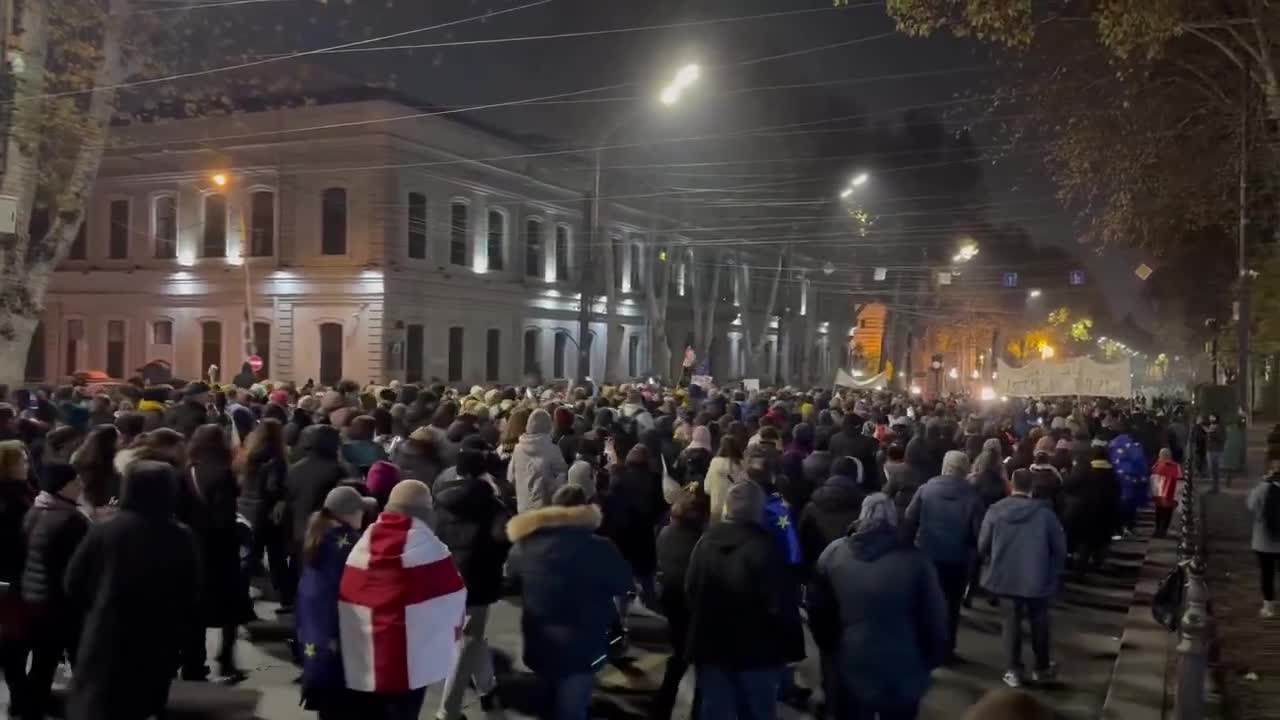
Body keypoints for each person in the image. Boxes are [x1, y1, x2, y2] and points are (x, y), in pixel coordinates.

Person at [63, 460, 201, 720]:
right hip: (157, 636)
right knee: (145, 703)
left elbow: (73, 582)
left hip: (106, 632)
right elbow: (191, 591)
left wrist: (96, 606)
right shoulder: (180, 536)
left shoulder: (104, 532)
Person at [808, 493, 948, 720]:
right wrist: (932, 657)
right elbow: (934, 616)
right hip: (904, 664)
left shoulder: (833, 554)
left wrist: (830, 649)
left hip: (849, 661)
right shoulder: (917, 561)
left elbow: (818, 610)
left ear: (861, 517)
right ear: (894, 518)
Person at [338, 480, 466, 720]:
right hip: (412, 662)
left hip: (367, 656)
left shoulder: (363, 543)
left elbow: (349, 594)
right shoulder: (433, 549)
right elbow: (455, 600)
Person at [506, 484, 632, 720]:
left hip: (538, 640)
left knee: (546, 705)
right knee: (573, 710)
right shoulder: (600, 547)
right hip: (584, 645)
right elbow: (623, 585)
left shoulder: (524, 544)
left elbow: (510, 578)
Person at [685, 480, 802, 720]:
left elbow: (691, 589)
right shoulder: (764, 547)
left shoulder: (704, 544)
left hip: (711, 646)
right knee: (757, 710)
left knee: (716, 710)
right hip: (756, 650)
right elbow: (779, 602)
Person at [433, 440, 512, 719]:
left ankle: (488, 689)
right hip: (478, 578)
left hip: (445, 574)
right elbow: (504, 539)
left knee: (472, 638)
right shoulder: (492, 503)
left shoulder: (440, 498)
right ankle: (449, 709)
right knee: (467, 640)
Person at [979, 468, 1067, 688]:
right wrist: (1053, 573)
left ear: (1011, 485)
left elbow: (983, 545)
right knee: (1040, 623)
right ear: (1032, 488)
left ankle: (1014, 671)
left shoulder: (995, 511)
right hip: (1038, 577)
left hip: (1005, 576)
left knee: (1011, 624)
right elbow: (1059, 548)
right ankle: (1041, 668)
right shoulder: (1045, 514)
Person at [296, 486, 376, 719]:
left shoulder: (318, 538)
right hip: (339, 642)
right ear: (348, 513)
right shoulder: (350, 545)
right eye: (360, 510)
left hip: (315, 638)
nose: (363, 515)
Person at [19, 463, 90, 720]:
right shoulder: (71, 520)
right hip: (62, 604)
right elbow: (80, 567)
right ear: (62, 486)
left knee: (43, 660)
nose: (80, 485)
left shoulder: (36, 510)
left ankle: (30, 707)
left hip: (36, 597)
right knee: (80, 659)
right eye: (75, 482)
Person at [179, 424, 247, 682]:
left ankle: (193, 664)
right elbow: (224, 518)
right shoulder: (224, 474)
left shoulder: (187, 471)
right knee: (230, 605)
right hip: (221, 549)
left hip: (193, 546)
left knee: (195, 610)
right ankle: (226, 658)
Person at [904, 450, 983, 663]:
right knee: (951, 607)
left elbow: (910, 520)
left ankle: (921, 647)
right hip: (956, 560)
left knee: (924, 602)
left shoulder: (926, 489)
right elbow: (978, 533)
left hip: (926, 554)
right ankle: (945, 651)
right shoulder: (972, 496)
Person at [653, 489, 709, 720]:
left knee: (678, 660)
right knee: (703, 668)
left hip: (671, 604)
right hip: (694, 610)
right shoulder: (701, 544)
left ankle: (661, 708)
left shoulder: (665, 533)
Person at [284, 424, 346, 609]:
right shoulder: (337, 472)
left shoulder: (295, 469)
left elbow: (289, 503)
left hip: (299, 533)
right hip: (327, 536)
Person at [237, 418, 292, 601]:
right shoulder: (276, 458)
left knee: (249, 555)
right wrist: (283, 498)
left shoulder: (248, 454)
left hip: (246, 509)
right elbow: (273, 487)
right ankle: (284, 594)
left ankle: (243, 593)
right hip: (267, 511)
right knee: (276, 555)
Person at [601, 445, 664, 604]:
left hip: (622, 535)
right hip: (644, 535)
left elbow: (610, 504)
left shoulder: (618, 476)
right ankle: (650, 606)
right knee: (646, 576)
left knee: (622, 576)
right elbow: (659, 508)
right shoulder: (654, 478)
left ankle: (621, 613)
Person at [0, 439, 34, 714]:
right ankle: (21, 698)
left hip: (15, 578)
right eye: (21, 461)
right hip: (12, 579)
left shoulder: (23, 494)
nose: (27, 465)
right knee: (14, 642)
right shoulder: (13, 501)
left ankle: (21, 696)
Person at [798, 456, 866, 572]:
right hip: (852, 571)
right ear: (857, 476)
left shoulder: (810, 507)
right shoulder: (864, 507)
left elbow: (801, 544)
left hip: (818, 572)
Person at [509, 408, 569, 512]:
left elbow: (510, 477)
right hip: (545, 510)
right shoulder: (552, 449)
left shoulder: (518, 449)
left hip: (523, 508)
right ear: (549, 426)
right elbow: (562, 478)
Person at [1246, 453, 1280, 618]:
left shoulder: (1261, 489)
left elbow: (1251, 507)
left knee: (1267, 574)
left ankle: (1269, 606)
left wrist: (1260, 483)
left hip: (1264, 541)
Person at [705, 435, 746, 523]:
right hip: (735, 507)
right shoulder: (742, 465)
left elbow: (707, 487)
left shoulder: (715, 462)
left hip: (717, 506)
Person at [1150, 448, 1183, 538]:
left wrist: (1153, 494)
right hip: (1170, 495)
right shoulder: (1176, 467)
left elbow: (1153, 481)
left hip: (1159, 496)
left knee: (1159, 513)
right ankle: (1163, 530)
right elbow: (1179, 481)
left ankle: (1157, 530)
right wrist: (1178, 497)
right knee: (1167, 513)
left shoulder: (1156, 466)